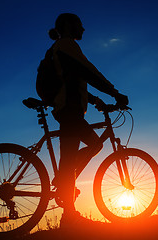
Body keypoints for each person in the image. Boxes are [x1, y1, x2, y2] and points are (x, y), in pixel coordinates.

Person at [38, 13, 128, 223]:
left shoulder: (60, 47)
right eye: (80, 25)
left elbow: (71, 80)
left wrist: (95, 99)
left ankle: (64, 181)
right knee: (69, 161)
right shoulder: (66, 44)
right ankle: (69, 215)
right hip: (68, 110)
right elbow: (88, 71)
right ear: (69, 25)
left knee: (95, 144)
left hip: (71, 109)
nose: (84, 29)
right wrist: (114, 93)